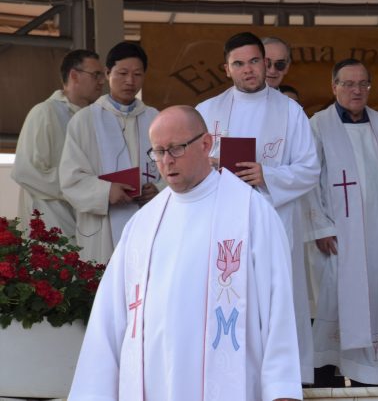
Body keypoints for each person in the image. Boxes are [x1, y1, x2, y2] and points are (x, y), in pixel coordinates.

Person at [69, 106, 302, 401]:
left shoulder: (250, 212)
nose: (166, 161)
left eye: (176, 149)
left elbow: (277, 305)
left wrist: (282, 389)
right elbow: (110, 316)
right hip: (153, 385)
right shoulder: (143, 223)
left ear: (205, 144)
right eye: (158, 151)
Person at [196, 31, 320, 383]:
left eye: (255, 61)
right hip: (221, 225)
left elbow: (310, 168)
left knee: (273, 297)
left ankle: (280, 379)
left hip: (273, 220)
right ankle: (225, 374)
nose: (249, 70)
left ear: (265, 64)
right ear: (226, 69)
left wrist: (267, 174)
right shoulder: (207, 112)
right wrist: (209, 168)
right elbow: (186, 167)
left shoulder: (290, 111)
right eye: (239, 64)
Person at [302, 59, 378, 386]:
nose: (356, 90)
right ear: (334, 87)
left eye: (363, 84)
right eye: (348, 84)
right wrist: (320, 227)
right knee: (334, 306)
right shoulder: (318, 125)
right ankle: (325, 384)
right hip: (337, 238)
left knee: (373, 306)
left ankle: (369, 385)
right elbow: (307, 180)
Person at [59, 42, 161, 263]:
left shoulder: (155, 119)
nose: (130, 81)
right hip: (103, 229)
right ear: (107, 73)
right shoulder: (85, 120)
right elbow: (70, 179)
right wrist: (106, 192)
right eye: (122, 73)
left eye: (137, 74)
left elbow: (175, 167)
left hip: (147, 219)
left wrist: (159, 189)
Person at [11, 49, 104, 237]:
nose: (102, 81)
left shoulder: (97, 119)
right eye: (96, 75)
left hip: (87, 221)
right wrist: (80, 185)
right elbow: (25, 171)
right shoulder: (45, 112)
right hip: (51, 222)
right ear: (74, 76)